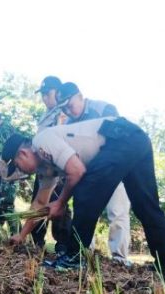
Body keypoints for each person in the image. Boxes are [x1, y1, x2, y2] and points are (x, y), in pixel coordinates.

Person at [1, 117, 165, 281]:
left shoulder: (41, 142)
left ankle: (74, 259)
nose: (21, 172)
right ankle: (163, 265)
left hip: (119, 137)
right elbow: (40, 203)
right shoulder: (45, 168)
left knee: (85, 190)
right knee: (145, 204)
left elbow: (76, 171)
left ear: (23, 154)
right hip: (136, 138)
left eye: (17, 166)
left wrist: (61, 203)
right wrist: (22, 235)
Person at [55, 82, 132, 265]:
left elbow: (117, 142)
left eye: (70, 105)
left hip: (114, 170)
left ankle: (120, 258)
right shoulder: (70, 124)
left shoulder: (104, 109)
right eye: (64, 108)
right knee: (84, 213)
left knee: (117, 212)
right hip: (88, 174)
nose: (68, 111)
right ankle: (82, 253)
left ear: (80, 96)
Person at [31, 76, 73, 253]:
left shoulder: (63, 112)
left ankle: (63, 245)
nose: (45, 98)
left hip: (59, 168)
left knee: (59, 205)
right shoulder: (45, 114)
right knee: (38, 203)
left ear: (58, 92)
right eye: (43, 95)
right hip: (44, 168)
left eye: (48, 94)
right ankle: (37, 243)